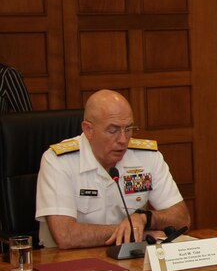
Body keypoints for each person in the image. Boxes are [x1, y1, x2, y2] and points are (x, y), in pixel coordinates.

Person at [36, 90, 191, 249]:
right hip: (70, 263)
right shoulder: (59, 161)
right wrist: (137, 233)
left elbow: (181, 218)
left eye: (128, 129)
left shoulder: (147, 157)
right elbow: (66, 236)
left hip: (129, 261)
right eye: (113, 130)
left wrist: (146, 218)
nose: (123, 140)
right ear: (88, 130)